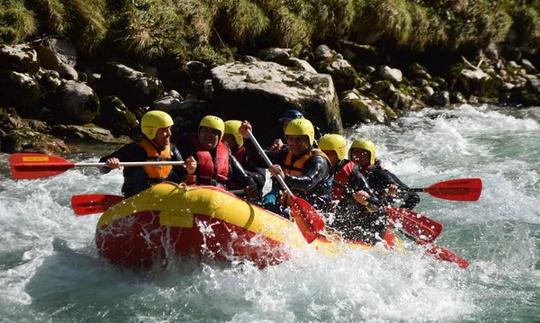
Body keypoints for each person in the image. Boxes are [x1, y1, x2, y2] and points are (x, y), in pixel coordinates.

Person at [240, 118, 332, 216]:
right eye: (291, 139)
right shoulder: (286, 153)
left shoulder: (319, 161)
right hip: (289, 207)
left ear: (309, 139)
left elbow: (308, 183)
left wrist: (284, 177)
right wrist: (247, 139)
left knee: (276, 210)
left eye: (299, 139)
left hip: (313, 212)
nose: (294, 143)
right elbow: (257, 160)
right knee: (264, 205)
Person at [100, 110, 197, 197]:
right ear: (151, 131)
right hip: (137, 199)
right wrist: (110, 163)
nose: (169, 133)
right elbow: (102, 167)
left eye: (169, 129)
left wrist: (190, 171)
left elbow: (184, 177)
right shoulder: (135, 150)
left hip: (165, 197)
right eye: (164, 130)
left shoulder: (172, 150)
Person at [318, 134, 387, 244]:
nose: (323, 157)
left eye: (329, 154)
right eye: (321, 153)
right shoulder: (317, 165)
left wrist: (366, 202)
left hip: (356, 227)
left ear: (339, 154)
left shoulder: (354, 174)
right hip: (331, 219)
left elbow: (378, 208)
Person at [175, 115, 257, 194]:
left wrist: (250, 185)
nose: (209, 135)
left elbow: (244, 177)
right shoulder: (186, 147)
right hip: (194, 193)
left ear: (220, 138)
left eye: (214, 133)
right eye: (205, 131)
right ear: (199, 133)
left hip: (220, 195)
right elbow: (175, 174)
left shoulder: (226, 152)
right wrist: (189, 172)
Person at [349, 138, 420, 209]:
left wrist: (396, 193)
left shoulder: (380, 173)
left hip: (379, 212)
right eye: (356, 152)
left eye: (363, 153)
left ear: (370, 156)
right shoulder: (348, 173)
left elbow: (414, 197)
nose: (358, 157)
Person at [223, 120, 266, 198]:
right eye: (222, 136)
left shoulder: (250, 154)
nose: (223, 140)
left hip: (246, 195)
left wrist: (237, 172)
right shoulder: (220, 153)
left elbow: (260, 180)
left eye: (227, 137)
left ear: (238, 137)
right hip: (227, 193)